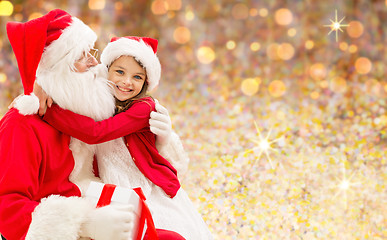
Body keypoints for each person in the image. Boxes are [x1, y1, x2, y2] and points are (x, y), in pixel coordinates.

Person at [0, 9, 179, 240]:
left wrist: (164, 142)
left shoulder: (82, 112)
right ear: (60, 66)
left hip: (103, 209)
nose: (96, 62)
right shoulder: (22, 124)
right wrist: (84, 225)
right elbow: (7, 208)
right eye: (83, 55)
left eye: (91, 52)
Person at [42, 36, 213, 240]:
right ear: (107, 70)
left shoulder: (144, 107)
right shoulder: (101, 100)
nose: (126, 82)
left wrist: (49, 110)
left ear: (146, 82)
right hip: (112, 184)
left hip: (146, 186)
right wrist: (48, 90)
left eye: (137, 77)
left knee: (160, 229)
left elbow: (98, 133)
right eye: (120, 72)